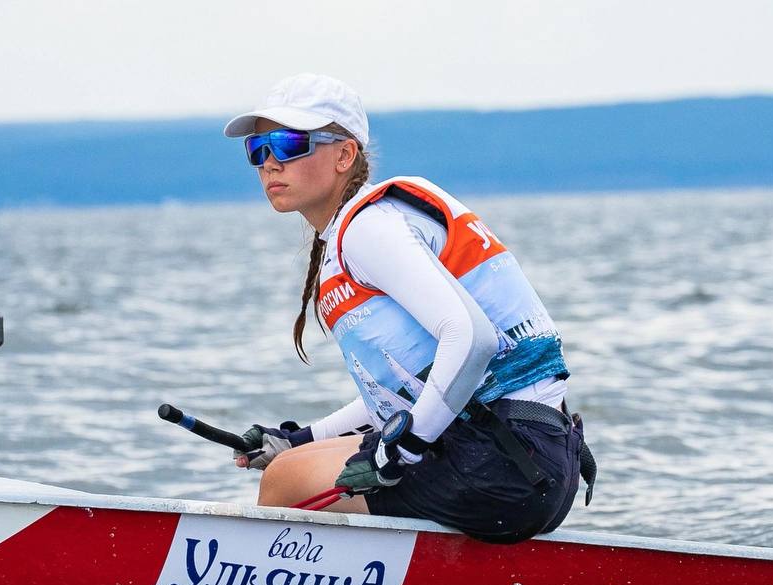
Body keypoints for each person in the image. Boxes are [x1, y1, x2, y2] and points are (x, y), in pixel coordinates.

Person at [224, 74, 593, 545]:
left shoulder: (368, 229)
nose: (270, 162)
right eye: (258, 149)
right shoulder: (365, 225)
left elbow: (472, 339)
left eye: (290, 143)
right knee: (291, 461)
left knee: (284, 481)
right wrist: (305, 438)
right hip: (531, 461)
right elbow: (411, 388)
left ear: (344, 155)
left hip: (505, 466)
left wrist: (405, 450)